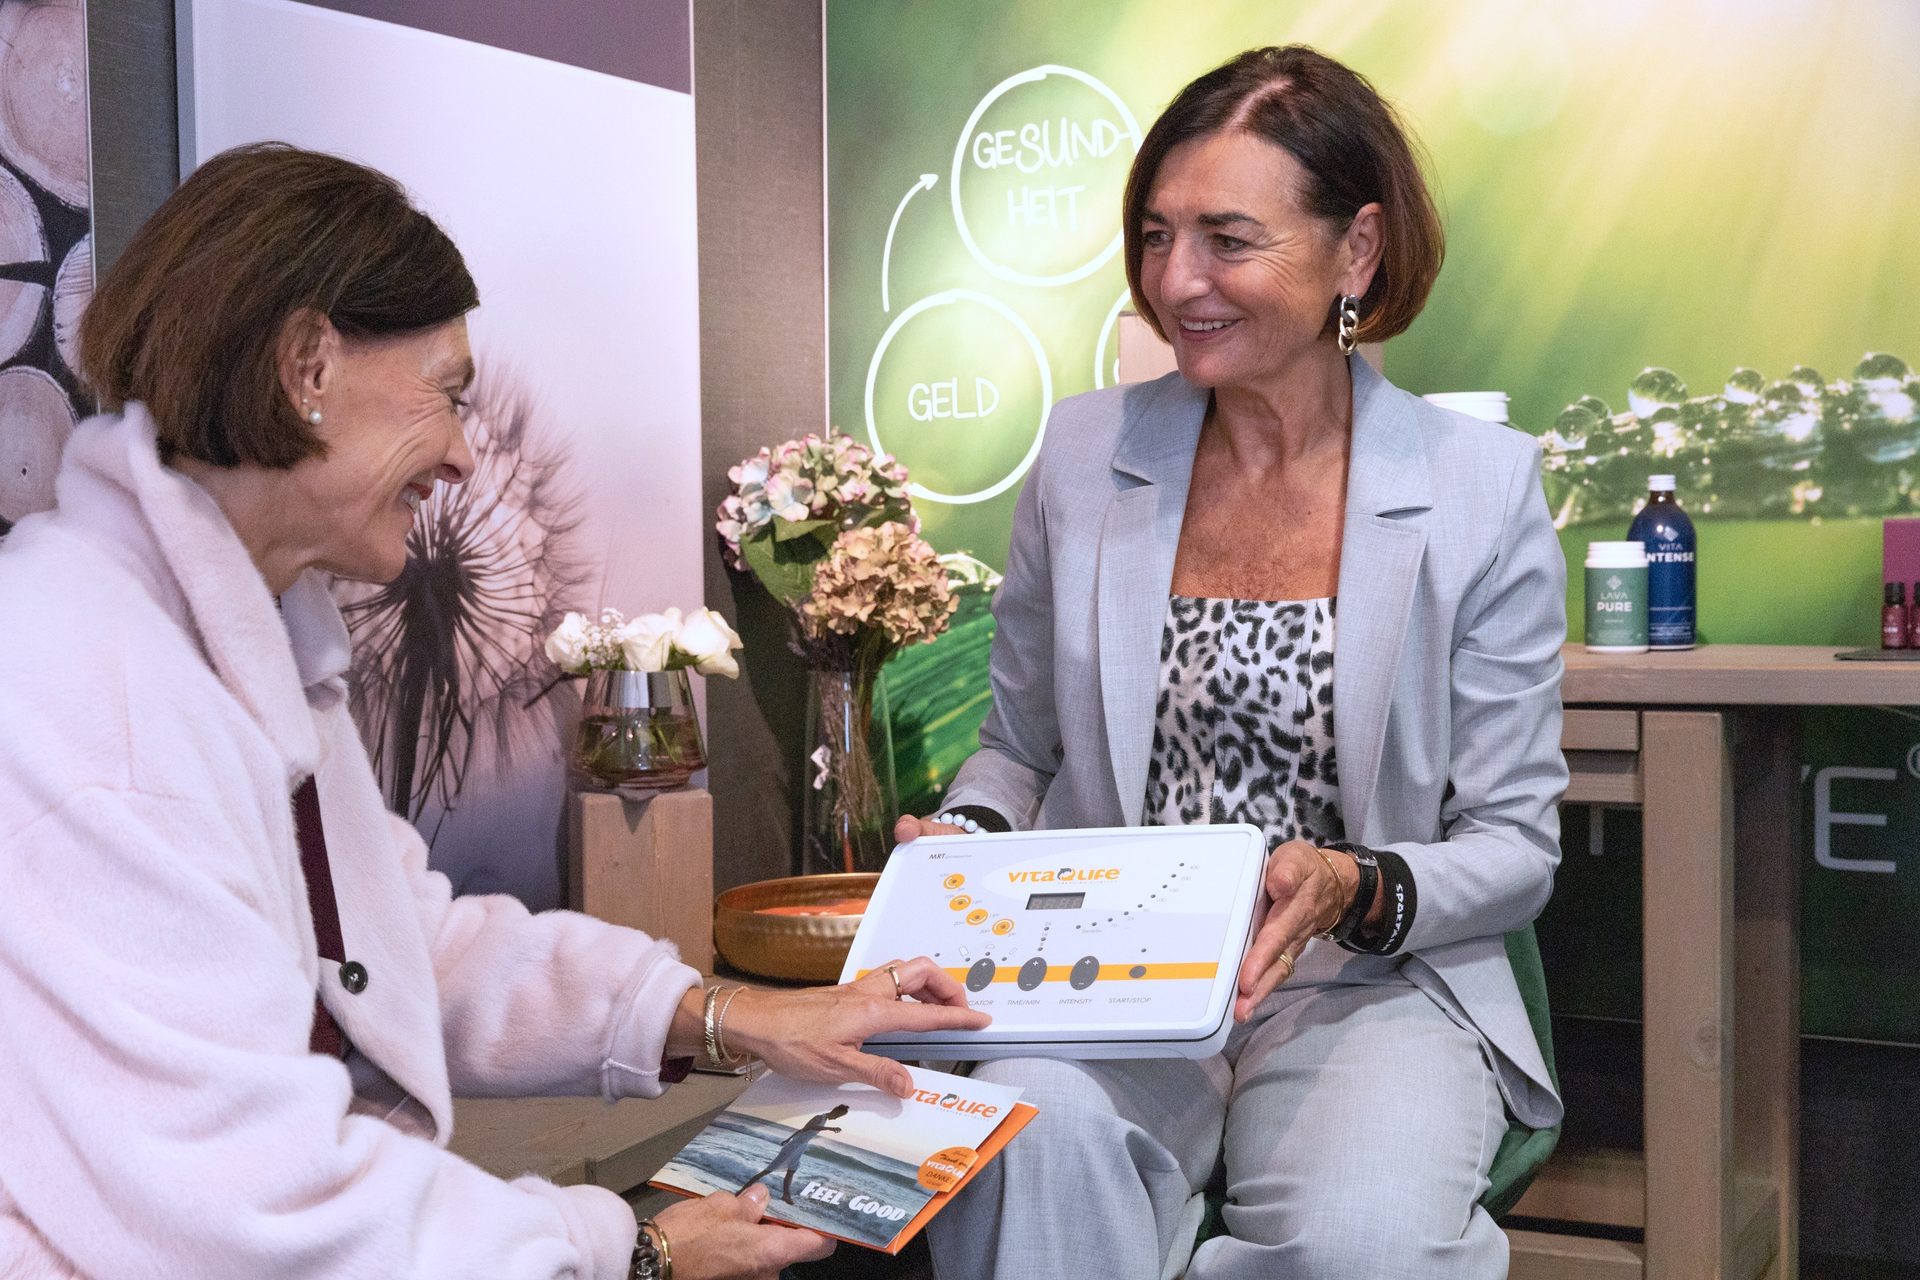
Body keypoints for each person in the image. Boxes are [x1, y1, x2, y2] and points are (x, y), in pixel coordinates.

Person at [0, 142, 988, 1280]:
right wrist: (632, 1249)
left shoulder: (250, 633)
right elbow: (249, 1199)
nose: (467, 454)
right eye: (448, 395)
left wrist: (729, 1013)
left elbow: (397, 944)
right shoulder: (93, 694)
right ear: (305, 364)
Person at [906, 46, 1568, 1280]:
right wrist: (965, 840)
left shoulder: (1482, 490)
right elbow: (1015, 748)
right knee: (1023, 1145)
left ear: (1355, 253)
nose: (1178, 281)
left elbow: (1514, 844)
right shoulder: (1082, 453)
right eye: (1157, 237)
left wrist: (1353, 886)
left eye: (1227, 238)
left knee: (1358, 1245)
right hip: (1112, 975)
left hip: (1366, 981)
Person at [744, 1103, 850, 1203]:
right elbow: (808, 1127)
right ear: (834, 1111)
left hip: (800, 1146)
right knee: (770, 1169)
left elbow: (801, 1130)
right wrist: (829, 1128)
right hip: (794, 1145)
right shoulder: (819, 1117)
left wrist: (787, 1139)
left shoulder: (824, 1120)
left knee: (791, 1170)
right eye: (838, 1115)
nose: (836, 1118)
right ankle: (746, 1187)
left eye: (839, 1117)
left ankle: (786, 1195)